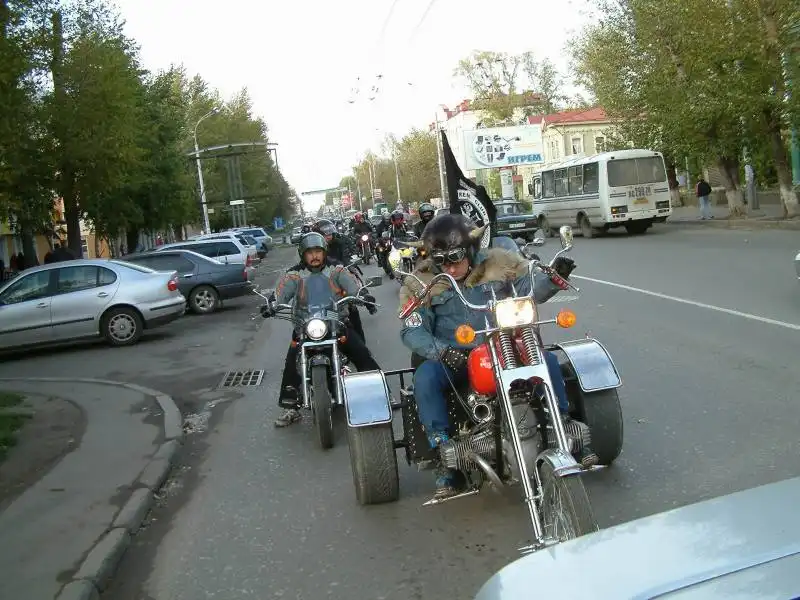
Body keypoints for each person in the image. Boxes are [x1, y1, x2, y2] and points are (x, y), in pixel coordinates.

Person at [398, 214, 599, 500]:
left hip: (504, 344)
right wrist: (440, 351)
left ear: (470, 250)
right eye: (442, 260)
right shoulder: (421, 282)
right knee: (426, 377)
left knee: (548, 361)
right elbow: (412, 328)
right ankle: (443, 454)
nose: (450, 267)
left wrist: (555, 277)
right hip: (455, 356)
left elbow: (531, 289)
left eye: (455, 258)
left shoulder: (500, 263)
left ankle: (563, 425)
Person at [266, 233, 381, 427]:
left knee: (361, 352)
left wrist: (364, 296)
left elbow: (353, 286)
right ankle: (290, 406)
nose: (314, 256)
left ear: (324, 252)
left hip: (335, 322)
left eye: (318, 251)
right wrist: (272, 304)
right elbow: (281, 293)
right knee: (292, 360)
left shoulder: (336, 270)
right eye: (310, 253)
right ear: (303, 254)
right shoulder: (294, 275)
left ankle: (381, 394)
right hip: (305, 326)